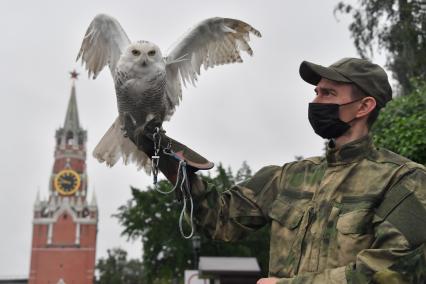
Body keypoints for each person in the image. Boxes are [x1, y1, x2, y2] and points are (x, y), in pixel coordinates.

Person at [124, 58, 426, 283]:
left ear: (364, 107)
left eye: (328, 94)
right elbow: (219, 221)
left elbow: (393, 270)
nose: (315, 101)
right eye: (316, 92)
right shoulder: (289, 177)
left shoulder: (404, 179)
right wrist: (167, 157)